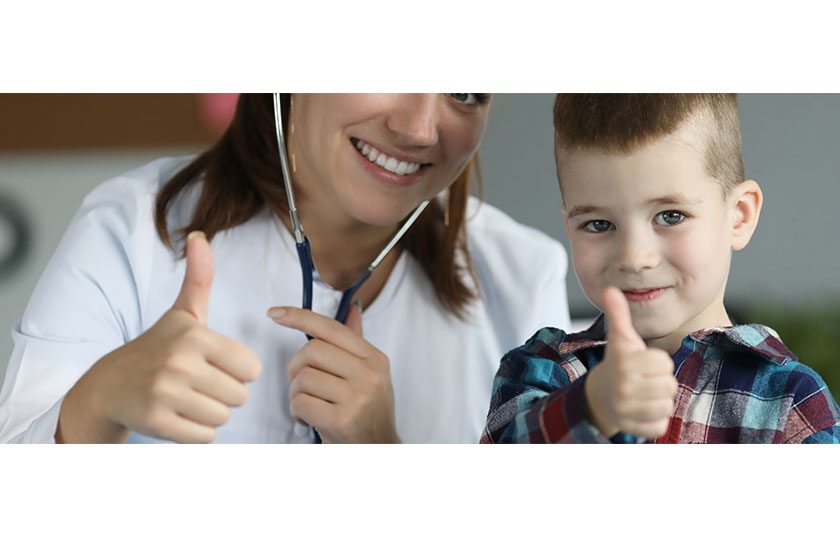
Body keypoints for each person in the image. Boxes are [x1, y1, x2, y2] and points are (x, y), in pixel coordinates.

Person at [0, 93, 571, 444]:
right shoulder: (129, 230)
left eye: (466, 91)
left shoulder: (523, 276)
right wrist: (98, 402)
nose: (421, 128)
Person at [481, 93, 840, 444]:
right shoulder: (540, 373)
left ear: (739, 216)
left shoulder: (792, 405)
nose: (635, 258)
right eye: (599, 224)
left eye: (671, 216)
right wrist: (590, 410)